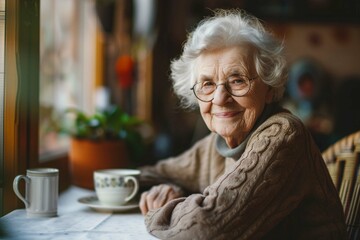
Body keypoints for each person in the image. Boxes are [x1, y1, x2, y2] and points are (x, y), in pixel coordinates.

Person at [139, 9, 347, 240]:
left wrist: (158, 209)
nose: (219, 99)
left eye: (237, 80)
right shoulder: (216, 145)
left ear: (269, 88)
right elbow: (151, 176)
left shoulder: (283, 135)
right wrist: (172, 190)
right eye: (207, 84)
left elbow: (203, 230)